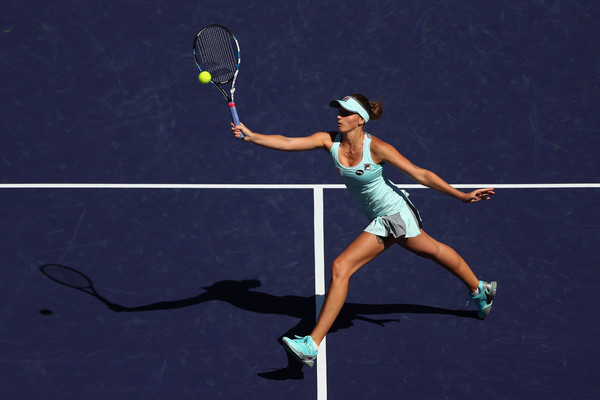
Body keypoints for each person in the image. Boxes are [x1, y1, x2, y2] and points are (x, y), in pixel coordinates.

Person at [231, 94, 497, 368]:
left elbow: (420, 173)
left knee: (341, 267)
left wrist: (461, 196)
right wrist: (253, 137)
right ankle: (480, 290)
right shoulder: (328, 140)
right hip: (384, 215)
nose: (339, 116)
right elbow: (288, 142)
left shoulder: (379, 148)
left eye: (346, 113)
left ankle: (311, 344)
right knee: (434, 250)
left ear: (360, 120)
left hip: (393, 214)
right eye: (338, 111)